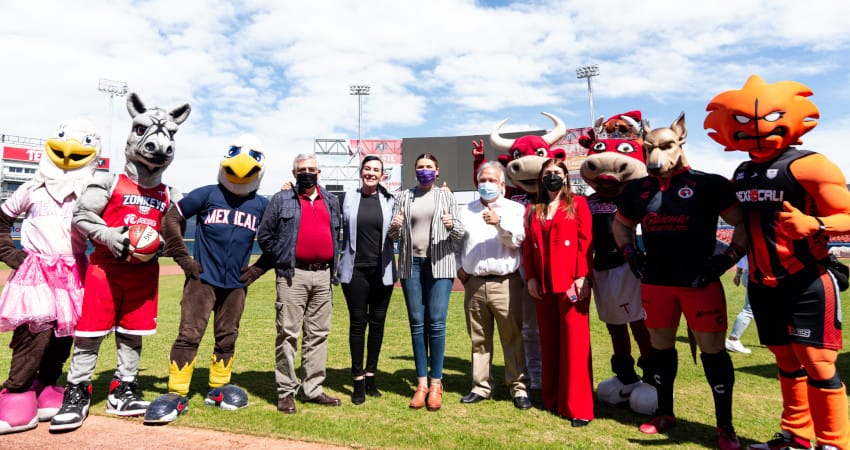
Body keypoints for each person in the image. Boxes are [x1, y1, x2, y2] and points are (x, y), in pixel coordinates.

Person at [705, 75, 850, 450]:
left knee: (819, 365)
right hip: (762, 284)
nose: (756, 127)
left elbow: (848, 215)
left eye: (769, 116)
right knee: (786, 363)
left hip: (807, 280)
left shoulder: (811, 165)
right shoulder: (741, 173)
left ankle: (834, 443)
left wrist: (815, 224)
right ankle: (796, 436)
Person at [613, 113, 743, 450]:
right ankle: (665, 413)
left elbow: (742, 225)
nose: (656, 156)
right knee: (660, 349)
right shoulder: (638, 189)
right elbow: (620, 225)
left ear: (681, 140)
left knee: (713, 352)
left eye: (666, 146)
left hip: (699, 283)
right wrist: (629, 253)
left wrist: (727, 259)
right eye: (649, 148)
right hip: (656, 283)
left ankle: (725, 427)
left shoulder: (710, 184)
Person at [143, 135, 274, 424]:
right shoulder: (207, 194)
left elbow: (279, 240)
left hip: (237, 283)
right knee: (189, 335)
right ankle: (177, 392)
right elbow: (170, 219)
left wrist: (256, 270)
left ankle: (219, 387)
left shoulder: (261, 205)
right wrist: (183, 257)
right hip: (202, 279)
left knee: (228, 337)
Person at [0, 119, 100, 434]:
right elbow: (3, 220)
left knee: (63, 334)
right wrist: (12, 254)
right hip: (37, 270)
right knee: (35, 331)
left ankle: (47, 387)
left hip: (74, 272)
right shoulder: (32, 187)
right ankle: (17, 392)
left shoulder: (89, 193)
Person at [257, 153, 342, 414]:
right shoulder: (282, 199)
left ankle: (312, 389)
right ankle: (286, 391)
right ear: (294, 173)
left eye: (312, 169)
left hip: (324, 275)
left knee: (318, 335)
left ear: (319, 172)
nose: (307, 172)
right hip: (293, 275)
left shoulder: (331, 200)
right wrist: (283, 257)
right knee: (288, 334)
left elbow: (336, 232)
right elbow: (265, 235)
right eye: (302, 169)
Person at [389, 153, 464, 412]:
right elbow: (392, 234)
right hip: (412, 265)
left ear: (438, 170)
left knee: (437, 322)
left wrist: (452, 224)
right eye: (420, 167)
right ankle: (421, 384)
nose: (424, 171)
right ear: (414, 170)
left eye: (429, 167)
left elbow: (461, 233)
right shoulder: (403, 197)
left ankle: (436, 384)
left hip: (440, 264)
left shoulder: (446, 196)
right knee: (417, 323)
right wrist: (395, 226)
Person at [522, 158, 593, 427]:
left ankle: (578, 406)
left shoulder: (579, 205)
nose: (552, 176)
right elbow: (528, 247)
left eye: (557, 172)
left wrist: (582, 277)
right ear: (541, 179)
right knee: (549, 343)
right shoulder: (533, 209)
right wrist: (530, 277)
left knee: (575, 346)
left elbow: (586, 243)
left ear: (565, 177)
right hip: (543, 286)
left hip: (571, 285)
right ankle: (552, 399)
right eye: (547, 173)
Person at [456, 161, 531, 410]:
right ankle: (481, 385)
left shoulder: (515, 209)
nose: (486, 184)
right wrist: (460, 268)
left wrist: (499, 223)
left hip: (505, 283)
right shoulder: (466, 210)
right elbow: (456, 242)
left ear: (502, 184)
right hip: (475, 284)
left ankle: (518, 387)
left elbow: (518, 240)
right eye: (482, 180)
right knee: (479, 339)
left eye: (491, 180)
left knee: (512, 338)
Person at [338, 155, 397, 405]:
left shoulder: (391, 201)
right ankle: (358, 380)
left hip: (382, 272)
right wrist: (290, 186)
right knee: (358, 324)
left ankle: (372, 376)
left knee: (378, 324)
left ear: (382, 175)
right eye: (367, 169)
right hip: (355, 272)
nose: (371, 173)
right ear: (361, 172)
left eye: (376, 170)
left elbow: (399, 229)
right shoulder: (347, 198)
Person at [725, 255, 753, 354]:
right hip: (756, 274)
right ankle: (733, 339)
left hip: (748, 273)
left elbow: (741, 256)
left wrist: (738, 274)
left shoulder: (747, 239)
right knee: (749, 310)